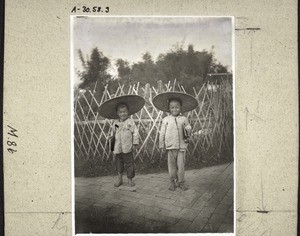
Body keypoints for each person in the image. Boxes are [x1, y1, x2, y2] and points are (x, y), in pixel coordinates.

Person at [153, 92, 198, 191]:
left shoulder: (184, 119)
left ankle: (181, 182)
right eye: (172, 107)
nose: (174, 109)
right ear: (169, 108)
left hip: (181, 146)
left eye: (177, 107)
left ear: (180, 108)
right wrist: (161, 144)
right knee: (172, 165)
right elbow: (162, 133)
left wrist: (188, 129)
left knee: (181, 166)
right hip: (170, 146)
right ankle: (172, 181)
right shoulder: (166, 120)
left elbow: (188, 130)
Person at [98, 94, 145, 187]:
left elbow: (135, 132)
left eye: (124, 112)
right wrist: (112, 147)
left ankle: (130, 179)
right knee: (119, 164)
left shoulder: (130, 122)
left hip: (128, 147)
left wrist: (135, 143)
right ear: (117, 113)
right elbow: (113, 134)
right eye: (120, 112)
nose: (123, 114)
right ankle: (119, 178)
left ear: (128, 112)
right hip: (118, 147)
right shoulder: (116, 123)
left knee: (129, 163)